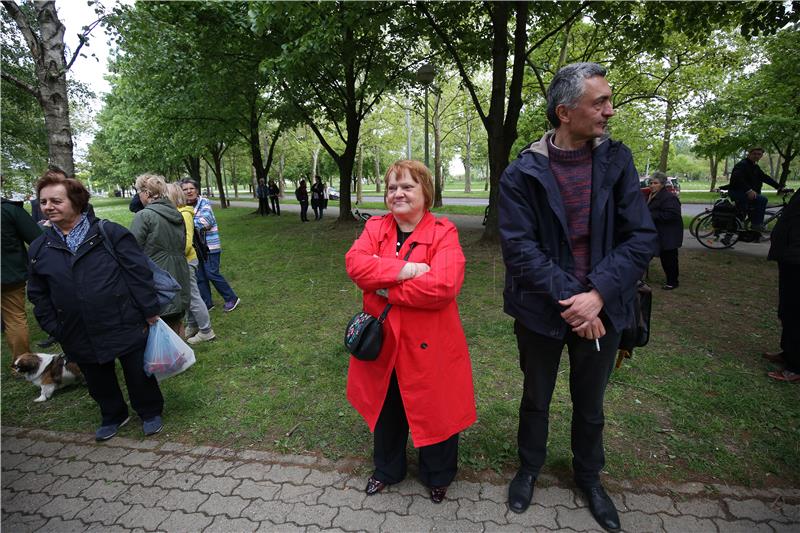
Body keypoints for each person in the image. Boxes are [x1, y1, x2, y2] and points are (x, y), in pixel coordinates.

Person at [499, 62, 656, 532]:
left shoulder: (618, 161)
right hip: (541, 310)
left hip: (603, 310)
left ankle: (589, 478)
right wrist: (576, 300)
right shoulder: (521, 173)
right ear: (565, 112)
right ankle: (529, 468)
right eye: (600, 102)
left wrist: (598, 296)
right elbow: (519, 249)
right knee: (536, 397)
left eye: (608, 100)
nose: (610, 110)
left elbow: (640, 238)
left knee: (591, 405)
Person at [345, 160, 476, 504]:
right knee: (388, 408)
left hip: (431, 344)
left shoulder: (443, 231)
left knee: (435, 407)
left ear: (425, 193)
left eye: (407, 187)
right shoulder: (376, 227)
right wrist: (409, 269)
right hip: (385, 341)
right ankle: (388, 469)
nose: (398, 193)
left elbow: (444, 285)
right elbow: (356, 265)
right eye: (392, 187)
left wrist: (387, 287)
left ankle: (438, 474)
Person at [27, 173, 165, 441]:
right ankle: (113, 414)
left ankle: (149, 411)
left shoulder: (109, 233)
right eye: (43, 201)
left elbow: (138, 274)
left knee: (138, 373)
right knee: (97, 378)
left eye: (56, 200)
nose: (47, 207)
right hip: (76, 329)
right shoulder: (39, 248)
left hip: (123, 320)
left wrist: (149, 311)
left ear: (76, 201)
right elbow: (38, 293)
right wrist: (54, 326)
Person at [130, 174, 191, 336]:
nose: (138, 196)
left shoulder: (143, 216)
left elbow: (131, 252)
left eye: (139, 192)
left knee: (160, 332)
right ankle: (181, 358)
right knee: (177, 323)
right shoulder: (177, 214)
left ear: (147, 193)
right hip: (180, 275)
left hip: (158, 280)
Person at [165, 183, 215, 344]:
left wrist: (172, 252)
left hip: (186, 260)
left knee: (193, 296)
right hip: (182, 260)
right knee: (187, 296)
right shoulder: (177, 213)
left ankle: (206, 331)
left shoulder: (184, 214)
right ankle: (193, 325)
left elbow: (186, 243)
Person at [180, 178, 241, 312]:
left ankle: (232, 298)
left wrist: (186, 224)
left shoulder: (204, 202)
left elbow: (205, 221)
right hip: (195, 248)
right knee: (200, 276)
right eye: (185, 189)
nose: (189, 191)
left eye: (191, 188)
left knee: (211, 273)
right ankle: (207, 303)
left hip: (210, 247)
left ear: (196, 190)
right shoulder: (183, 206)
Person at [1, 187, 42, 357]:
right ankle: (21, 363)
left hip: (7, 275)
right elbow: (37, 238)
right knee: (15, 318)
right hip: (7, 275)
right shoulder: (8, 210)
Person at [766, 190, 800, 382]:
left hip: (796, 258)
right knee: (787, 309)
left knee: (796, 312)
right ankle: (789, 353)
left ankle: (796, 366)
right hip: (790, 258)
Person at [729, 147, 786, 232]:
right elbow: (737, 178)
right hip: (737, 192)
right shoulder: (742, 164)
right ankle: (756, 226)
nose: (756, 156)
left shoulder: (755, 166)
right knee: (762, 200)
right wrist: (749, 190)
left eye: (759, 154)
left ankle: (745, 228)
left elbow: (764, 177)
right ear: (749, 154)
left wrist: (779, 187)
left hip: (744, 192)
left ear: (761, 156)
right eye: (754, 154)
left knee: (748, 210)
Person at [647, 171, 683, 290]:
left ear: (662, 184)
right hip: (659, 232)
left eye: (655, 183)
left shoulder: (669, 197)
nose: (652, 185)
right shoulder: (652, 195)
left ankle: (672, 281)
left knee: (669, 258)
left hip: (669, 233)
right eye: (651, 182)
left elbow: (672, 215)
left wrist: (650, 215)